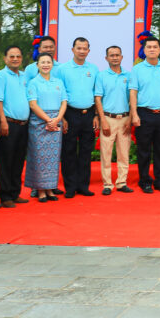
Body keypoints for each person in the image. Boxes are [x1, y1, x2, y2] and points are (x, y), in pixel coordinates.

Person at [129, 37, 160, 194]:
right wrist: (134, 114)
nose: (152, 49)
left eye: (155, 47)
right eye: (149, 47)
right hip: (144, 113)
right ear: (144, 50)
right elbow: (133, 92)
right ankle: (145, 181)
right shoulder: (137, 69)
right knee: (144, 150)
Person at [55, 37, 98, 198]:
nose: (81, 51)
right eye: (79, 48)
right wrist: (62, 118)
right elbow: (59, 93)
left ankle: (83, 186)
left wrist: (96, 115)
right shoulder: (63, 69)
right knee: (69, 151)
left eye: (85, 48)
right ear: (73, 49)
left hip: (88, 114)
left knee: (86, 151)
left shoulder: (93, 69)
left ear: (88, 51)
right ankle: (70, 187)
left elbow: (96, 93)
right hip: (70, 114)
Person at [25, 53, 66, 202]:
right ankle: (40, 190)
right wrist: (48, 120)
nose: (46, 65)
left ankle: (50, 189)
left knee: (53, 158)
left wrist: (57, 119)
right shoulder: (33, 83)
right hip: (39, 123)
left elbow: (64, 101)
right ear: (37, 65)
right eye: (42, 62)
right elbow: (33, 104)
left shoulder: (58, 82)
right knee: (39, 157)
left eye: (48, 62)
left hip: (55, 122)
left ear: (52, 65)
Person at [94, 46, 133, 196]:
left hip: (125, 118)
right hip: (108, 118)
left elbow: (133, 98)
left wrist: (130, 118)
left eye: (117, 55)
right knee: (106, 153)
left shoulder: (128, 76)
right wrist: (102, 120)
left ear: (122, 57)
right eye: (112, 55)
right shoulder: (101, 76)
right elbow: (98, 98)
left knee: (124, 153)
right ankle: (107, 184)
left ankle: (122, 182)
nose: (115, 58)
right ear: (106, 58)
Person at [0, 45, 31, 207]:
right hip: (9, 123)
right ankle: (5, 196)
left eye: (18, 56)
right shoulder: (1, 76)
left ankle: (15, 192)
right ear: (5, 59)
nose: (15, 59)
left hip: (24, 125)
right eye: (11, 56)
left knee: (18, 160)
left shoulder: (24, 76)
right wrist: (2, 121)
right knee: (6, 160)